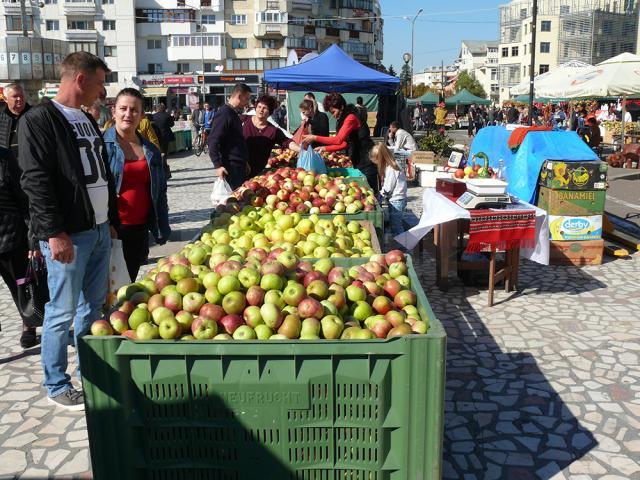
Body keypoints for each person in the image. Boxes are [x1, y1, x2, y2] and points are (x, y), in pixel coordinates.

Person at [18, 52, 119, 410]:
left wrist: (111, 223)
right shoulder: (40, 118)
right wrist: (53, 233)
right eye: (99, 82)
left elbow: (100, 172)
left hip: (99, 229)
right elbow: (35, 180)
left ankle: (89, 374)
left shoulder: (87, 118)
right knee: (61, 312)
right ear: (80, 79)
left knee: (92, 310)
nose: (103, 91)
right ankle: (57, 383)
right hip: (69, 235)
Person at [104, 88, 170, 281]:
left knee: (128, 285)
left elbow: (160, 191)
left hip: (139, 229)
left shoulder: (150, 150)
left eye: (134, 110)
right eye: (123, 108)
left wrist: (162, 226)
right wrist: (106, 224)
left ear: (142, 115)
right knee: (107, 290)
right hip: (112, 230)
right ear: (113, 111)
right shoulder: (102, 146)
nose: (128, 114)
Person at [0, 146, 40, 347]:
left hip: (10, 235)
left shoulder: (4, 157)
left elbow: (23, 198)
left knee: (22, 284)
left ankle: (28, 324)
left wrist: (31, 234)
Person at [303, 92, 379, 194]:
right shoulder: (343, 119)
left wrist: (315, 138)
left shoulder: (351, 117)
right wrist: (324, 148)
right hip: (359, 159)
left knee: (371, 191)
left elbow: (339, 139)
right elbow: (345, 144)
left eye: (334, 111)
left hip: (368, 158)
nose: (333, 115)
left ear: (341, 107)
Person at [208, 83, 252, 190]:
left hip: (238, 165)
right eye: (246, 99)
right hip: (230, 167)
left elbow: (236, 140)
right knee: (233, 202)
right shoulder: (224, 113)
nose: (247, 103)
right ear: (239, 96)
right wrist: (218, 165)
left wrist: (244, 161)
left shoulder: (232, 112)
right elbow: (213, 140)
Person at [241, 94, 295, 177]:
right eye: (259, 107)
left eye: (265, 108)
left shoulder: (273, 130)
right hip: (239, 167)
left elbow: (287, 142)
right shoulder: (243, 120)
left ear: (270, 112)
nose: (261, 110)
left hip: (259, 173)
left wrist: (301, 149)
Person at [370, 143, 407, 236]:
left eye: (376, 162)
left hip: (397, 201)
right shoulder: (392, 165)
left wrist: (379, 197)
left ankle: (403, 247)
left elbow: (388, 188)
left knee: (396, 227)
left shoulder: (392, 168)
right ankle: (401, 244)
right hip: (397, 199)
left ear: (381, 159)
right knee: (396, 224)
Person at [0, 83, 31, 157]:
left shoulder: (34, 116)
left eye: (21, 96)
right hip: (6, 165)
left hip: (29, 164)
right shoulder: (1, 118)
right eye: (15, 96)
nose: (19, 99)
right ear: (5, 99)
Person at [152, 103, 175, 179]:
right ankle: (164, 170)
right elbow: (172, 124)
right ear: (164, 108)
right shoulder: (167, 115)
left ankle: (158, 169)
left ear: (157, 109)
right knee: (164, 154)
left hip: (155, 137)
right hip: (165, 137)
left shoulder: (153, 116)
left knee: (156, 153)